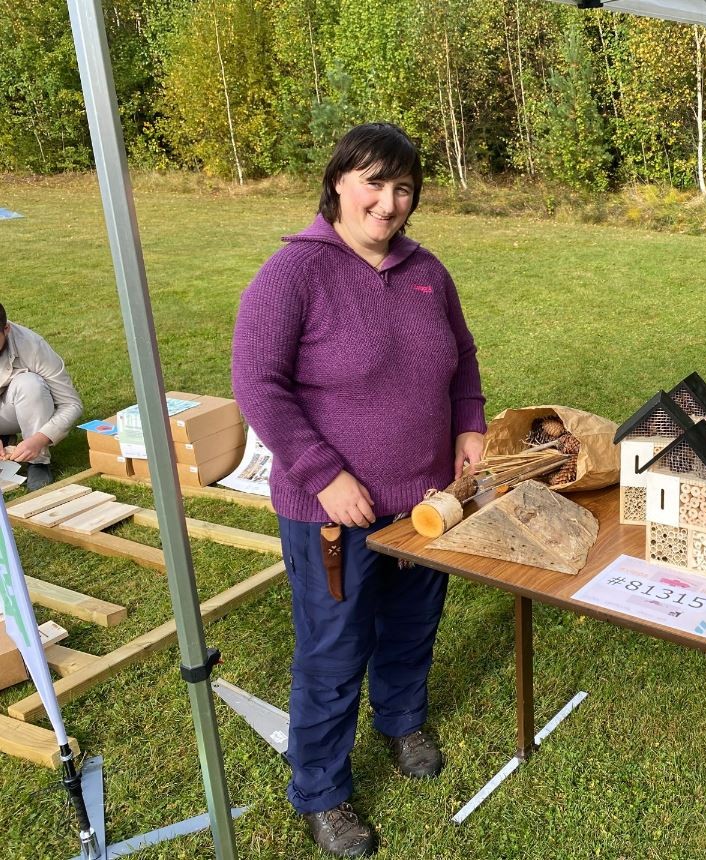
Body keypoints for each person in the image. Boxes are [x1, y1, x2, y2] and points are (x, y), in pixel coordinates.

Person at [232, 123, 486, 858]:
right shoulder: (293, 273)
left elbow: (463, 357)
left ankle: (401, 722)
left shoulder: (428, 271)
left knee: (412, 624)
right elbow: (258, 383)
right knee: (334, 651)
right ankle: (322, 791)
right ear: (338, 182)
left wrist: (469, 423)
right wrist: (324, 474)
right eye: (374, 182)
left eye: (403, 188)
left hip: (427, 500)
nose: (388, 202)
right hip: (333, 513)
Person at [0, 303, 83, 490]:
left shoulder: (32, 345)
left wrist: (40, 439)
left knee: (30, 384)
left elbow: (71, 404)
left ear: (6, 329)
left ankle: (38, 461)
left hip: (15, 408)